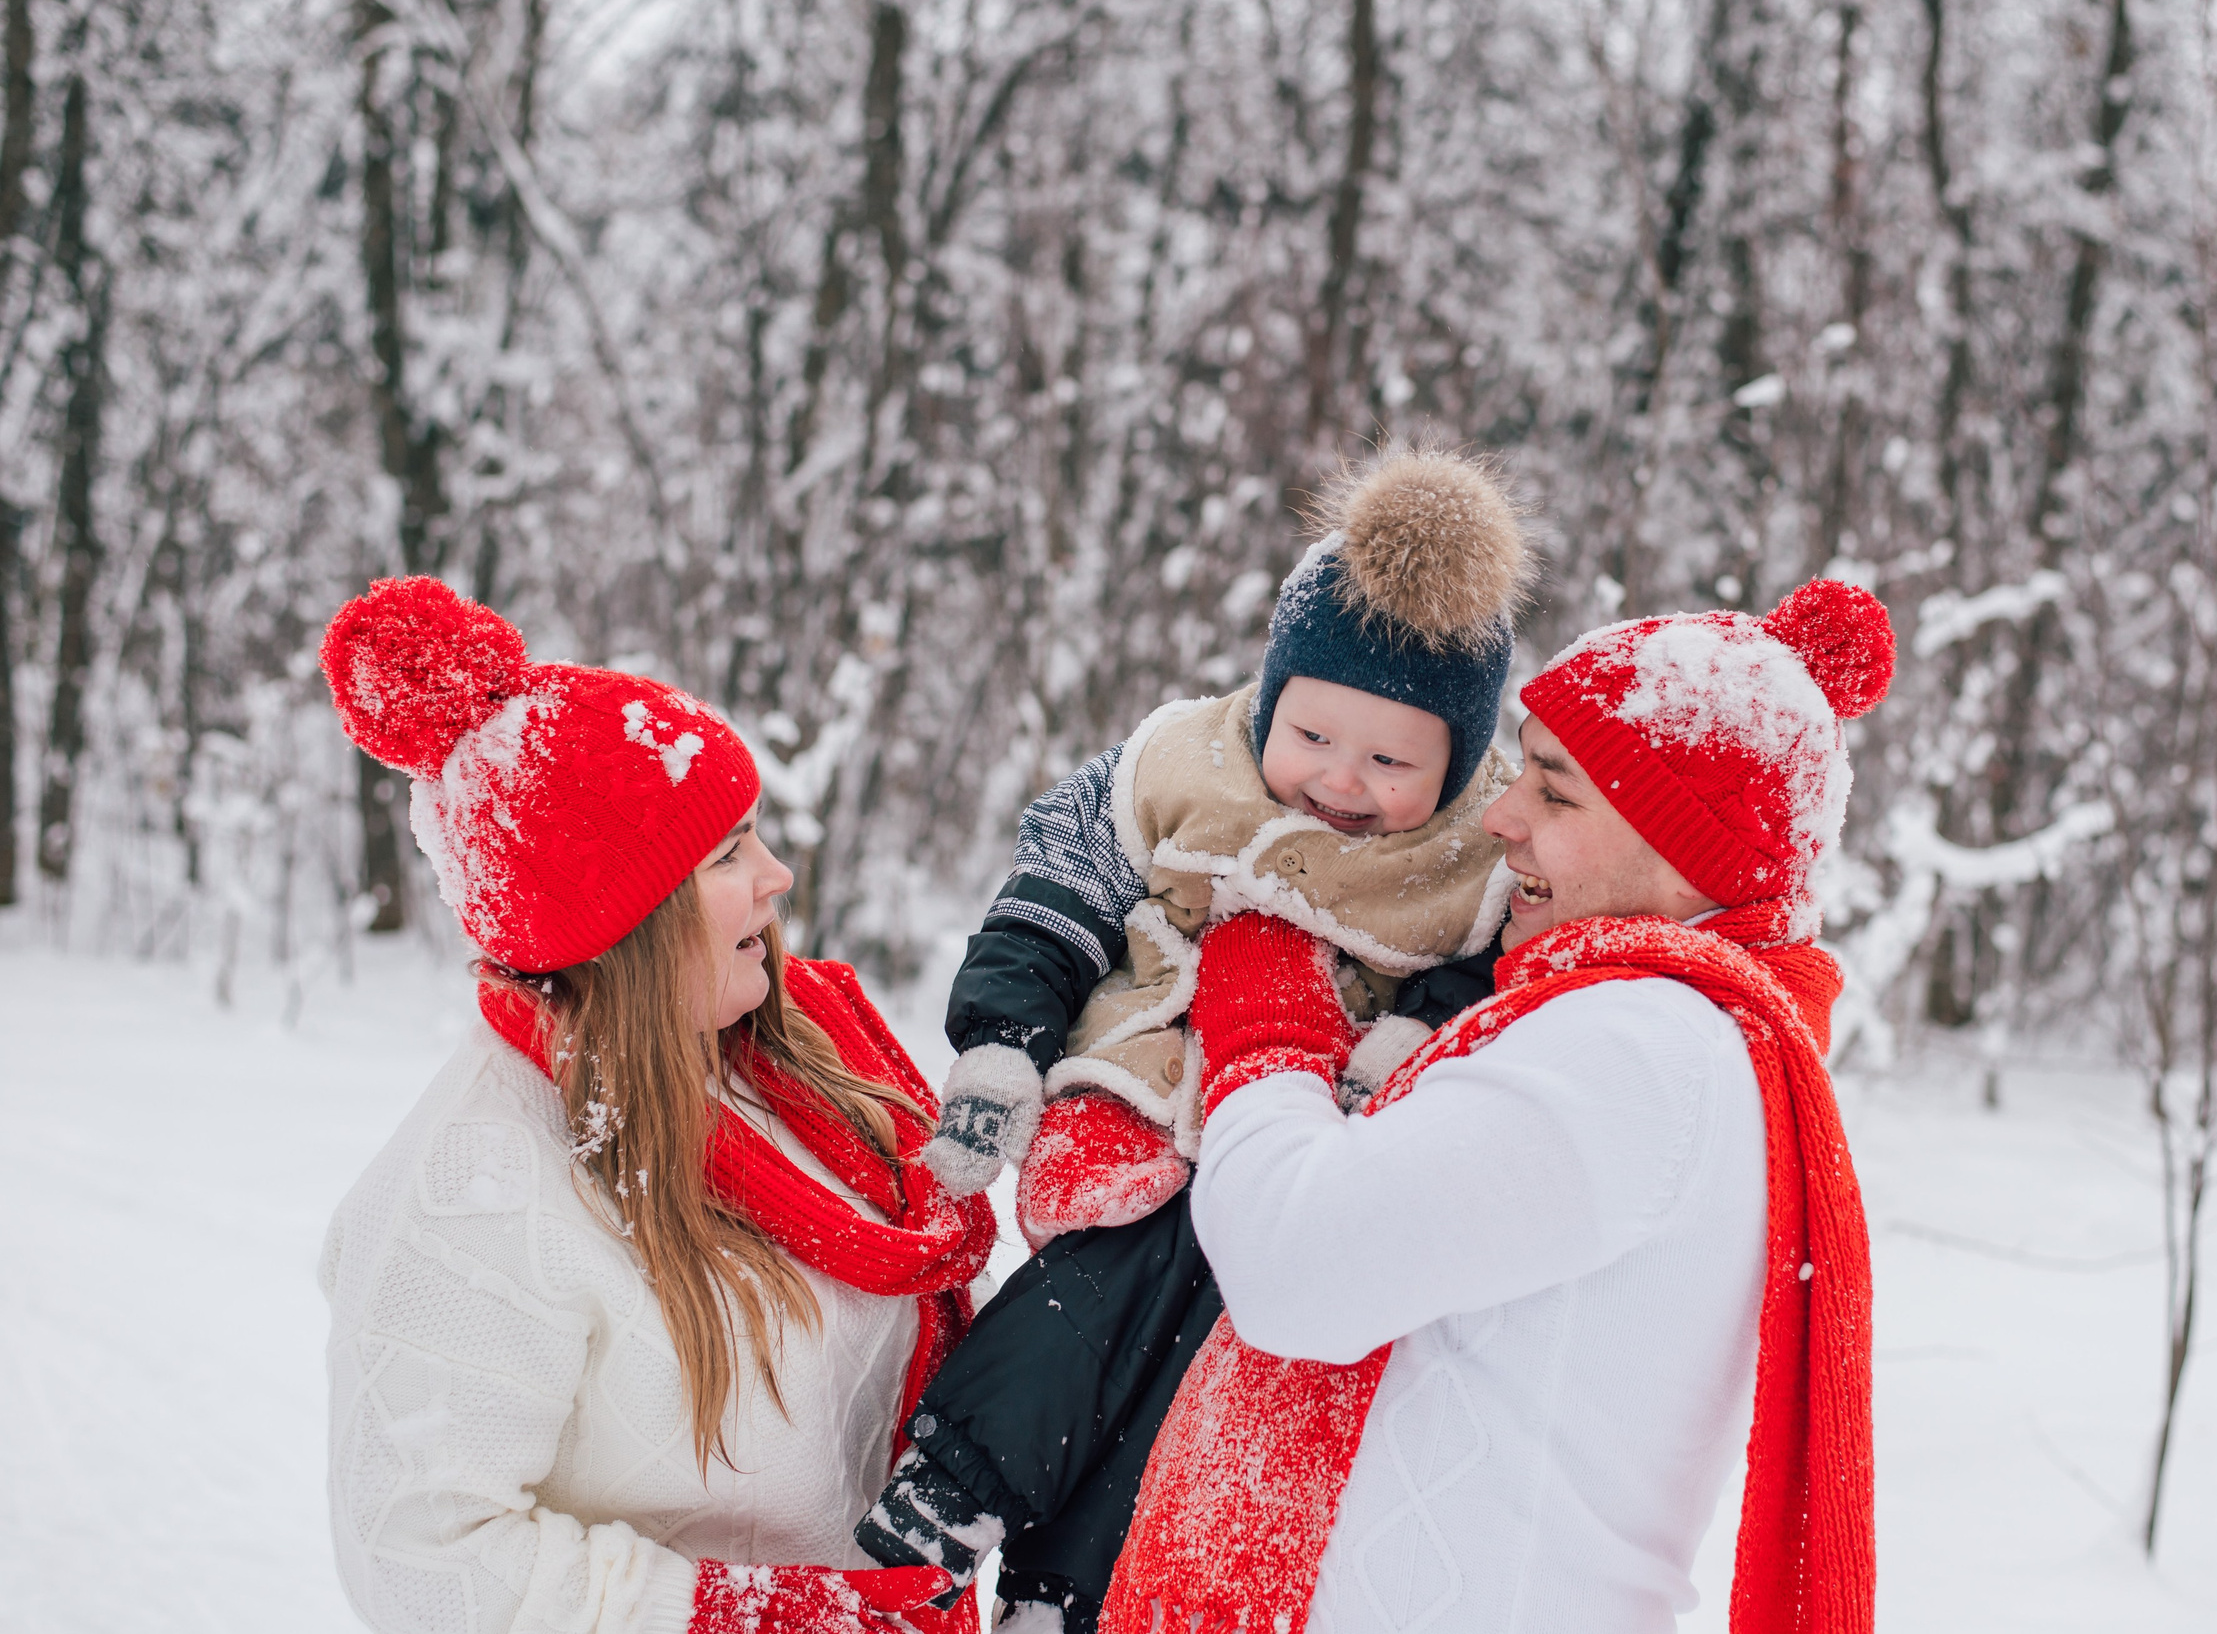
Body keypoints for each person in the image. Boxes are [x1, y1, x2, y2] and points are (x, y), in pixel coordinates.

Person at [1101, 579, 1894, 1634]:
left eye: (1557, 794)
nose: (1504, 817)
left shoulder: (1641, 1045)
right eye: (1520, 769)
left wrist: (1270, 1031)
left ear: (1685, 857)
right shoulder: (1679, 1037)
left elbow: (1299, 1266)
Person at [852, 444, 1535, 1626]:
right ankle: (951, 1488)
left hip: (1300, 1144)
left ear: (1459, 763)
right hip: (1139, 1096)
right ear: (1270, 700)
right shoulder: (1181, 763)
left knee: (1201, 1381)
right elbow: (1059, 882)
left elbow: (1489, 973)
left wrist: (1405, 1042)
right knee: (1088, 1298)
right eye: (1314, 735)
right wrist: (1004, 1036)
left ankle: (1068, 1590)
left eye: (1391, 760)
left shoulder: (1478, 853)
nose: (1342, 780)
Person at [314, 578, 994, 1634]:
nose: (775, 875)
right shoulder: (474, 1192)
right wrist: (755, 1615)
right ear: (622, 919)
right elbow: (418, 1556)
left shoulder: (803, 1052)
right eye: (726, 854)